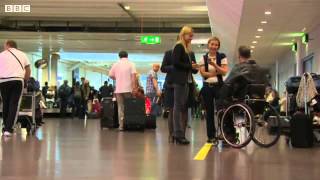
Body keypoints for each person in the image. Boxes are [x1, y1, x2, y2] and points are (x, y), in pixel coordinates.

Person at [171, 26, 199, 145]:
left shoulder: (187, 50)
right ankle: (177, 133)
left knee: (182, 106)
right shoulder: (179, 46)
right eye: (190, 35)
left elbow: (188, 67)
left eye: (192, 36)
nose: (191, 38)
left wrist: (194, 67)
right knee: (178, 107)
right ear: (184, 34)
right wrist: (190, 66)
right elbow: (176, 63)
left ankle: (180, 133)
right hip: (180, 81)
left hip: (186, 81)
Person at [199, 37, 229, 144]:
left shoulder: (222, 56)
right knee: (209, 112)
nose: (214, 46)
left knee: (222, 110)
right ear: (208, 45)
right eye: (212, 44)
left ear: (218, 46)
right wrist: (217, 72)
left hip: (219, 86)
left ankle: (224, 133)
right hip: (207, 87)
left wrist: (214, 65)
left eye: (216, 45)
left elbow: (225, 72)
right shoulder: (203, 58)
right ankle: (211, 136)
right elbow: (203, 73)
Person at [0, 40, 31, 137]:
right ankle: (8, 129)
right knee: (14, 104)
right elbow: (28, 70)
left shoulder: (1, 55)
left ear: (7, 46)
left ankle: (5, 125)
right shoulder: (23, 54)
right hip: (17, 81)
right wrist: (25, 81)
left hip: (3, 81)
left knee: (5, 103)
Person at [109, 51, 137, 131]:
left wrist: (117, 78)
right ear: (127, 56)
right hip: (128, 89)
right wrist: (134, 88)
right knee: (129, 107)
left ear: (119, 56)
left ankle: (121, 126)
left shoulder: (115, 64)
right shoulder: (131, 64)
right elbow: (133, 77)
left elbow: (110, 75)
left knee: (120, 107)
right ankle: (129, 124)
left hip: (118, 89)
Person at [161, 49, 175, 142]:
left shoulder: (189, 53)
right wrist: (175, 67)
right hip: (170, 83)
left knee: (182, 110)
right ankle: (171, 134)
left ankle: (180, 134)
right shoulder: (169, 53)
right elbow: (163, 68)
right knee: (171, 109)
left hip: (184, 84)